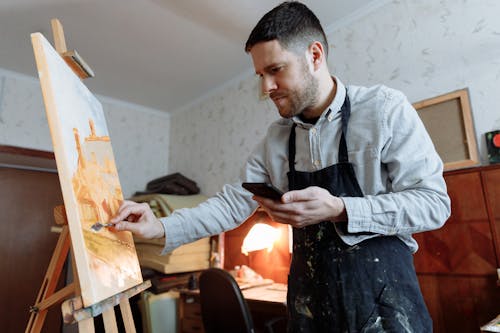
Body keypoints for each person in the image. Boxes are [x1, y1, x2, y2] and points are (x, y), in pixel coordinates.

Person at [111, 2, 451, 332]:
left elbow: (434, 204)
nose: (265, 88)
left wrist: (340, 208)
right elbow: (232, 204)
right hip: (309, 311)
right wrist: (160, 227)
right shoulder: (276, 140)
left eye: (275, 70)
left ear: (314, 55)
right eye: (260, 75)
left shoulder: (384, 109)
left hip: (386, 310)